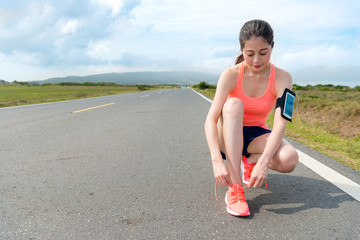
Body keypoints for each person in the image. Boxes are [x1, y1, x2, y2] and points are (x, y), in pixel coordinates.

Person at [204, 19, 299, 217]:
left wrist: (263, 163)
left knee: (289, 159)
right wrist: (216, 161)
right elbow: (210, 120)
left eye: (263, 53)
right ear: (242, 50)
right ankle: (235, 188)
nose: (256, 60)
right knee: (234, 104)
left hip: (256, 135)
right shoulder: (230, 75)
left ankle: (249, 161)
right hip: (227, 134)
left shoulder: (283, 77)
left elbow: (280, 123)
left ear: (272, 47)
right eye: (250, 54)